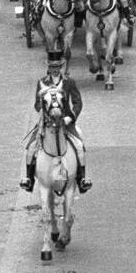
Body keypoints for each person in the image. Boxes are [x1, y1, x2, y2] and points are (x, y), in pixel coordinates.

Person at [20, 50, 91, 193]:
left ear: (61, 67)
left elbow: (77, 102)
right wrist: (42, 111)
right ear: (48, 67)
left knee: (78, 145)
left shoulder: (69, 82)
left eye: (57, 67)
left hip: (65, 121)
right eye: (52, 67)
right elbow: (37, 103)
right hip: (47, 122)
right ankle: (29, 179)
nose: (55, 69)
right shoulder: (41, 82)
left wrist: (70, 117)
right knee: (31, 147)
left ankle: (81, 178)